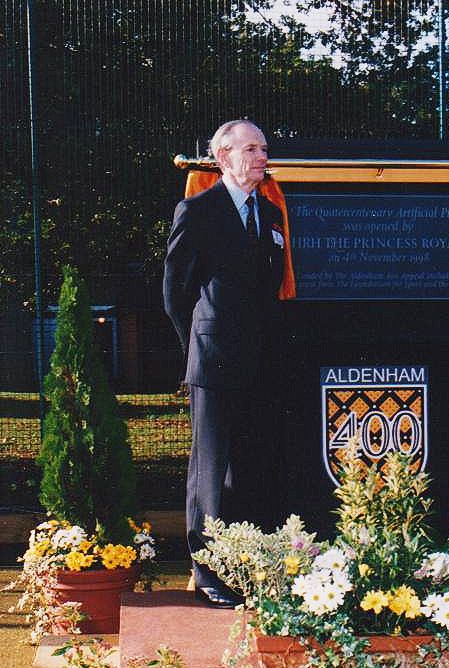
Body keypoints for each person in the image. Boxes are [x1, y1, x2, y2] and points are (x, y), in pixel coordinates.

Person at [164, 120, 286, 608]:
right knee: (211, 470)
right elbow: (176, 293)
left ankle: (247, 565)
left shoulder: (272, 213)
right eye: (251, 148)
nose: (261, 156)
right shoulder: (197, 211)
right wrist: (197, 343)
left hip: (261, 360)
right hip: (214, 359)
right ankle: (208, 569)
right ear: (223, 156)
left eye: (263, 147)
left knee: (252, 465)